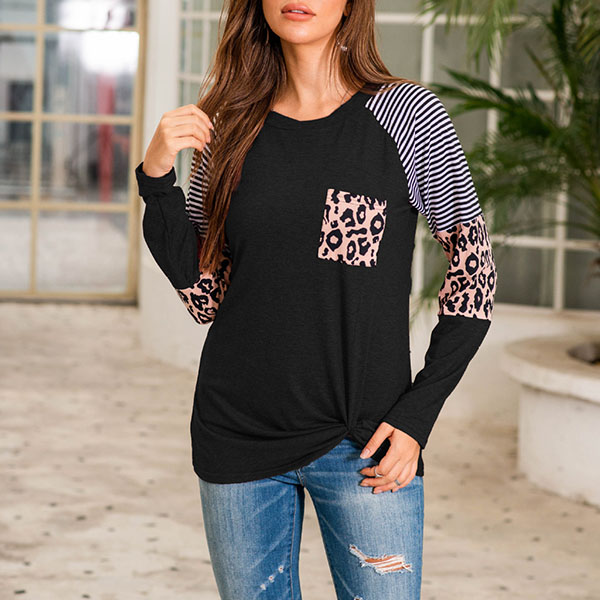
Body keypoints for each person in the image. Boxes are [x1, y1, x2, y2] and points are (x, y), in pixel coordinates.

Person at [134, 0, 498, 598]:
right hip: (238, 431)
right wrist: (156, 177)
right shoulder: (229, 125)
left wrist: (416, 416)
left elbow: (474, 274)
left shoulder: (407, 116)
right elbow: (205, 296)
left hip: (365, 440)